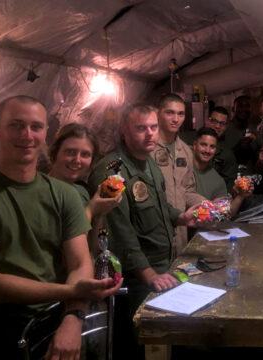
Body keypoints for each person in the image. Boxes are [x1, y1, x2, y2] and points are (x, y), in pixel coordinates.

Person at [0, 95, 121, 359]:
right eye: (16, 125)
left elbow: (79, 263)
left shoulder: (65, 194)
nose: (27, 135)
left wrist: (73, 319)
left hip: (56, 321)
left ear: (45, 134)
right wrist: (71, 292)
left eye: (36, 127)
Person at [89, 103, 196, 359]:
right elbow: (119, 229)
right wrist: (147, 273)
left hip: (161, 265)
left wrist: (181, 217)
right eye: (140, 128)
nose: (149, 134)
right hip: (134, 277)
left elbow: (161, 206)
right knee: (136, 343)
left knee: (162, 342)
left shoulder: (148, 164)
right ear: (124, 132)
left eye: (153, 127)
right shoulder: (112, 170)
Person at [154, 94, 205, 257]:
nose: (176, 119)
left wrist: (207, 204)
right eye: (170, 113)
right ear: (158, 113)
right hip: (155, 231)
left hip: (181, 230)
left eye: (181, 114)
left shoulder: (186, 151)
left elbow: (187, 190)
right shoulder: (148, 149)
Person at [49, 123, 122, 224]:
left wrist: (99, 214)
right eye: (70, 152)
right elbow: (70, 238)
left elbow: (91, 239)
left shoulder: (81, 192)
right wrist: (91, 210)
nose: (77, 160)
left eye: (85, 154)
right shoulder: (42, 192)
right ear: (55, 152)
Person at [192, 127, 252, 216]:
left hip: (200, 227)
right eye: (203, 145)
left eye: (212, 147)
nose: (207, 150)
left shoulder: (218, 181)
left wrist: (241, 196)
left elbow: (225, 212)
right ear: (194, 145)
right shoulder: (181, 168)